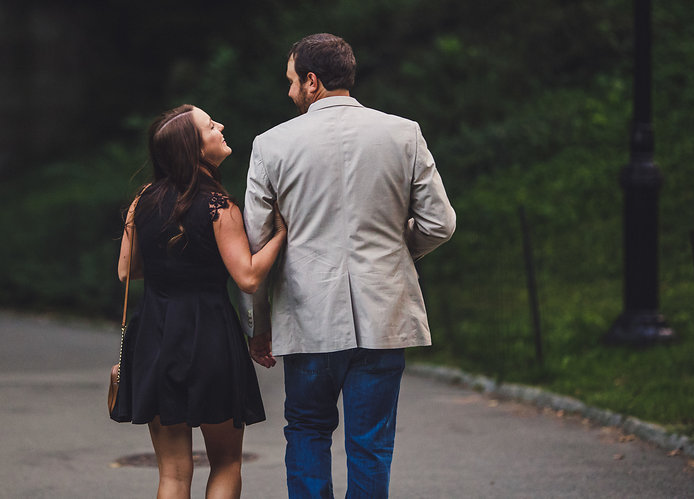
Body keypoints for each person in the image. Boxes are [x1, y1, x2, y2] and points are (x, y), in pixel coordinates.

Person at [237, 33, 456, 498]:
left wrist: (258, 324)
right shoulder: (403, 133)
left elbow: (256, 244)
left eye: (293, 81)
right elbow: (440, 223)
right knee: (371, 443)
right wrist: (394, 255)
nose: (290, 91)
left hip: (307, 313)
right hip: (384, 313)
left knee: (308, 431)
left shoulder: (271, 145)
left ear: (312, 82)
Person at [112, 104, 287, 499]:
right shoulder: (218, 207)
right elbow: (247, 275)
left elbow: (127, 272)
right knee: (226, 462)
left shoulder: (144, 201)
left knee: (172, 474)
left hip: (155, 337)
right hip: (210, 337)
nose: (221, 126)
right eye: (211, 125)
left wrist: (170, 263)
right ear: (194, 149)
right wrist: (281, 233)